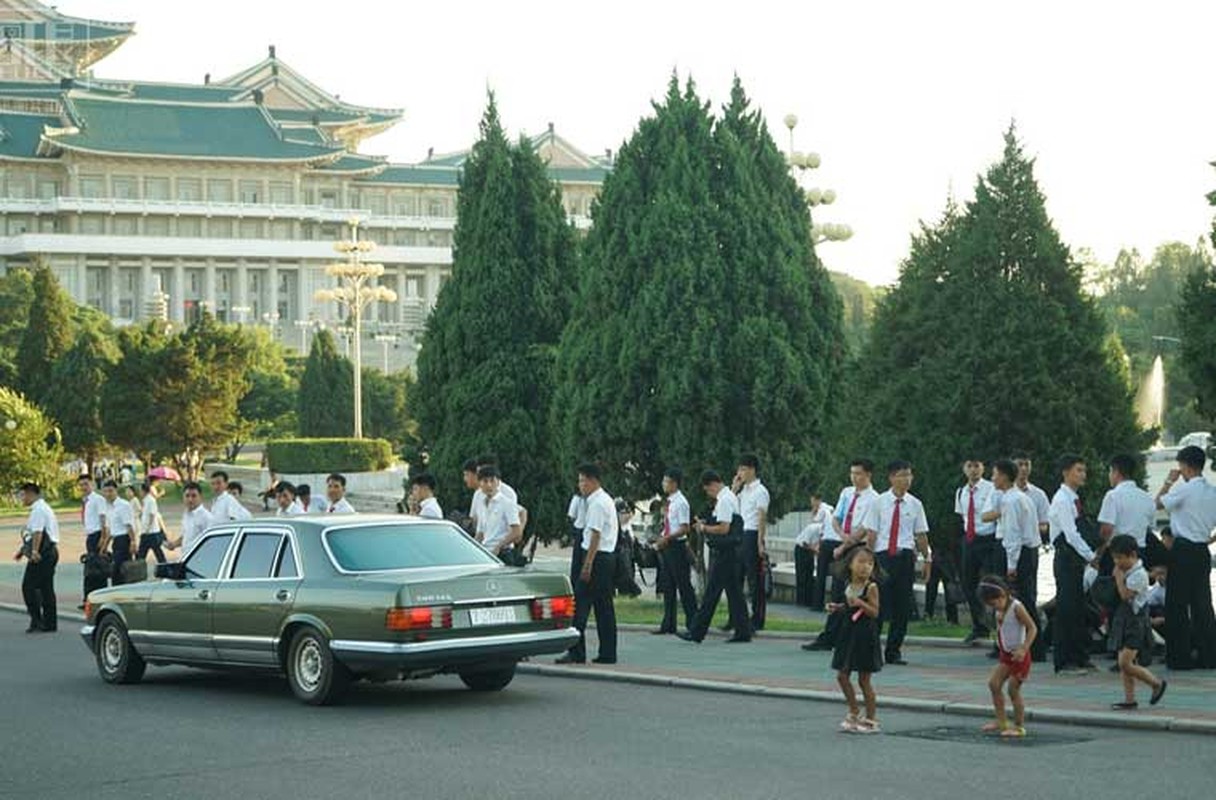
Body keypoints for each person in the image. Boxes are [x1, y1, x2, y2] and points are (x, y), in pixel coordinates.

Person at [805, 459, 879, 651]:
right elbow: (836, 517)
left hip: (856, 548)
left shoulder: (874, 499)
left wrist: (846, 544)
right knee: (838, 593)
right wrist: (841, 536)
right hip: (843, 542)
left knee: (846, 593)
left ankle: (836, 637)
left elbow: (865, 528)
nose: (855, 477)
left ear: (868, 475)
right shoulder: (846, 493)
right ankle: (831, 636)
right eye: (852, 473)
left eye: (859, 474)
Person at [1154, 445, 1216, 670]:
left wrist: (1169, 482)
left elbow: (1158, 503)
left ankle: (1180, 658)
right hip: (1201, 550)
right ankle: (1209, 655)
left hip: (1182, 550)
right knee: (1202, 605)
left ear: (1186, 467)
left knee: (1177, 604)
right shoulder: (1212, 491)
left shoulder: (1185, 489)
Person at [679, 470, 753, 644]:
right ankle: (743, 630)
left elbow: (724, 528)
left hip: (725, 553)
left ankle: (697, 631)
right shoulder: (728, 497)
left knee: (711, 593)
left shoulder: (725, 500)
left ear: (712, 485)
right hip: (732, 552)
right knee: (735, 594)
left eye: (707, 490)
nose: (708, 493)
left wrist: (704, 529)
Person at [869, 461, 930, 666]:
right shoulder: (878, 502)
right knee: (878, 604)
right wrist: (868, 559)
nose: (907, 479)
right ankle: (872, 648)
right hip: (883, 556)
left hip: (904, 557)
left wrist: (927, 558)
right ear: (892, 478)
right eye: (902, 475)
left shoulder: (915, 504)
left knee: (902, 606)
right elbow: (872, 532)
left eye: (909, 475)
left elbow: (920, 534)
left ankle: (893, 651)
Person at [557, 463, 619, 665]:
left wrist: (587, 565)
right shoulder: (599, 500)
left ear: (593, 481)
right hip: (605, 558)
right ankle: (608, 653)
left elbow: (595, 536)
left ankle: (576, 652)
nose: (580, 485)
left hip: (596, 558)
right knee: (603, 608)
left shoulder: (598, 503)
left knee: (579, 606)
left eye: (583, 480)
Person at [1050, 455, 1099, 674]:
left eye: (1083, 470)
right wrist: (1091, 556)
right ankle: (1064, 660)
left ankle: (1080, 656)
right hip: (1066, 558)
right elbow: (1070, 534)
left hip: (1076, 560)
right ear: (1066, 472)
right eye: (1078, 470)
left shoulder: (1074, 499)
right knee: (1066, 610)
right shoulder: (1062, 499)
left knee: (1078, 609)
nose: (1082, 474)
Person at [1108, 535, 1168, 709]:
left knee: (1124, 663)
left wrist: (1119, 578)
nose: (1117, 561)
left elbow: (1126, 595)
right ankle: (1129, 699)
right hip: (1125, 620)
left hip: (1136, 623)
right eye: (1115, 557)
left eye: (1120, 557)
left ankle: (1156, 683)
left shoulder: (1139, 574)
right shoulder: (1127, 570)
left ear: (1132, 555)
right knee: (1127, 664)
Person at [831, 544, 882, 734]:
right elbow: (849, 607)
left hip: (865, 636)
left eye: (870, 563)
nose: (865, 567)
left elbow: (875, 612)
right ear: (850, 564)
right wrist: (838, 607)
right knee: (842, 675)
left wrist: (861, 602)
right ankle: (853, 710)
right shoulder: (849, 586)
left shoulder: (871, 587)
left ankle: (871, 718)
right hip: (848, 634)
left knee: (864, 679)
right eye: (861, 562)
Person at [978, 576, 1037, 737]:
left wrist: (1024, 648)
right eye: (989, 605)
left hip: (1019, 655)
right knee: (994, 684)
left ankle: (1019, 726)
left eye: (994, 603)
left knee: (1013, 690)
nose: (993, 607)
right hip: (1006, 654)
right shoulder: (1000, 608)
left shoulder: (1017, 607)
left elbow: (1032, 628)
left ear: (1003, 595)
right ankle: (1001, 720)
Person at [956, 457, 1001, 645]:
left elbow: (998, 513)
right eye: (969, 466)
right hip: (970, 539)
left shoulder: (991, 488)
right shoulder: (961, 492)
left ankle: (996, 624)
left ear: (983, 467)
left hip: (988, 539)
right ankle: (979, 626)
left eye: (977, 466)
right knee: (968, 582)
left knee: (992, 583)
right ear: (964, 469)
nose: (973, 470)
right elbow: (963, 517)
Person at [991, 459, 1040, 612]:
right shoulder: (1022, 497)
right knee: (1028, 597)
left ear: (1004, 477)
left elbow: (1013, 534)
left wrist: (1011, 565)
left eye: (995, 474)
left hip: (1019, 554)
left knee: (1018, 599)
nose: (992, 478)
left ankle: (1027, 633)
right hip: (1030, 551)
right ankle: (1034, 633)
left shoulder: (1010, 501)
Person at [653, 467, 698, 635]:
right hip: (667, 546)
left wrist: (668, 538)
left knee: (683, 585)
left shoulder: (681, 502)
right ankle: (668, 623)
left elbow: (685, 528)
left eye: (667, 481)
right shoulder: (670, 502)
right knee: (668, 585)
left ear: (674, 483)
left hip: (677, 546)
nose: (664, 484)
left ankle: (693, 623)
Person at [1098, 454, 1159, 567]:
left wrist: (1098, 555)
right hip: (1139, 553)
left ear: (1116, 472)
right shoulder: (1146, 497)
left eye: (1110, 471)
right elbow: (1149, 527)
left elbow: (1106, 530)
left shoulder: (1113, 496)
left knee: (1115, 584)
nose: (1110, 475)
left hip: (1117, 554)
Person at [14, 482, 59, 633]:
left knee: (28, 586)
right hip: (49, 551)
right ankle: (50, 623)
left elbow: (38, 532)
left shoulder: (38, 510)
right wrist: (22, 551)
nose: (22, 498)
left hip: (41, 554)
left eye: (23, 495)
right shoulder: (43, 507)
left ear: (30, 493)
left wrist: (34, 551)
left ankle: (37, 620)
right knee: (46, 588)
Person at [734, 454, 771, 631]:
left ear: (752, 470)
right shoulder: (743, 491)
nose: (740, 472)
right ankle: (737, 618)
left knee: (754, 580)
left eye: (743, 469)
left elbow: (761, 517)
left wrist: (760, 543)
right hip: (740, 535)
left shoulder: (760, 491)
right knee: (736, 578)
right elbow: (731, 507)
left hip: (752, 534)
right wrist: (734, 488)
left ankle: (757, 619)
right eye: (739, 469)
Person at [795, 489, 833, 609]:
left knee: (809, 574)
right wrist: (816, 549)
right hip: (801, 549)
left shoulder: (824, 511)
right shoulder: (814, 528)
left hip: (809, 550)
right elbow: (805, 543)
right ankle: (801, 601)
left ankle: (808, 599)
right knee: (802, 575)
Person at [475, 465, 522, 557]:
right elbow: (480, 533)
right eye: (485, 481)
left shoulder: (507, 503)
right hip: (486, 552)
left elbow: (517, 531)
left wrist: (499, 547)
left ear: (498, 482)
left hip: (503, 553)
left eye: (492, 481)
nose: (489, 485)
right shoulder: (480, 503)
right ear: (480, 483)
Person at [100, 479, 136, 585]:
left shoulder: (123, 505)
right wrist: (105, 545)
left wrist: (133, 542)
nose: (108, 494)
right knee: (116, 571)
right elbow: (111, 529)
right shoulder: (109, 507)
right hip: (116, 541)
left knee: (120, 571)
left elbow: (129, 525)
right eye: (105, 491)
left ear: (116, 491)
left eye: (110, 491)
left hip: (124, 540)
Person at [78, 474, 107, 605]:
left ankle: (94, 598)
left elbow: (103, 518)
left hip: (97, 535)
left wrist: (103, 537)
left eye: (86, 484)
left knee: (97, 569)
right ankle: (90, 598)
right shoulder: (86, 501)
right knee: (91, 569)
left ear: (92, 484)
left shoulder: (98, 499)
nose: (84, 487)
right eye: (81, 485)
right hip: (90, 536)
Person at [1013, 455, 1051, 545]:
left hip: (1031, 545)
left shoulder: (1039, 494)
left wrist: (1028, 528)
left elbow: (1045, 525)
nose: (1023, 468)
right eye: (1020, 464)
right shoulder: (1004, 492)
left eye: (1027, 465)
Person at [170, 481, 213, 553]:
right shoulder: (186, 514)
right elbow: (186, 536)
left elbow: (211, 542)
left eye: (194, 496)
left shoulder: (206, 517)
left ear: (200, 497)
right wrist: (173, 544)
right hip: (186, 558)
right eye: (187, 496)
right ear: (183, 497)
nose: (190, 499)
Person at [136, 481, 167, 564]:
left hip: (152, 532)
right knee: (141, 553)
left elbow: (152, 515)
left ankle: (165, 568)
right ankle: (138, 569)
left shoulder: (151, 500)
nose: (139, 493)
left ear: (144, 491)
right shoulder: (145, 501)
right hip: (146, 532)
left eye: (140, 491)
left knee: (158, 554)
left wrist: (147, 528)